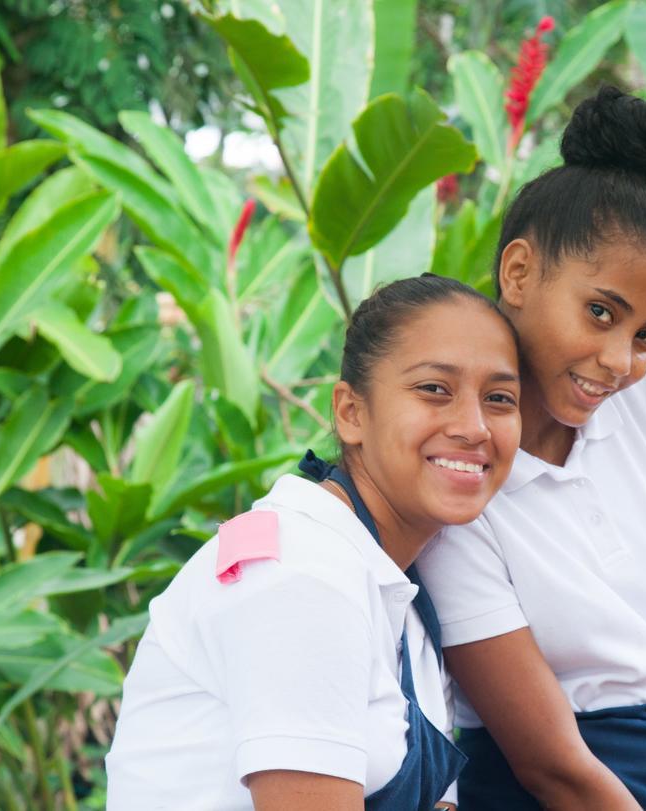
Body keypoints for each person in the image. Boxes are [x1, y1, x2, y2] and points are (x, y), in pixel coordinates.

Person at [415, 87, 646, 811]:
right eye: (601, 312)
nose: (621, 359)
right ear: (518, 272)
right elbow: (552, 763)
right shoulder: (459, 464)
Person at [105, 274, 522, 811]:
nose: (474, 426)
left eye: (500, 398)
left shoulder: (403, 591)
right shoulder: (301, 575)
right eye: (434, 389)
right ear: (351, 412)